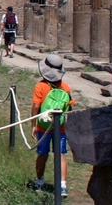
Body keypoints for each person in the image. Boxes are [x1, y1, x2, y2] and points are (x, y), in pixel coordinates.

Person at [31, 54, 76, 197]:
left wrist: (34, 124)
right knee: (60, 154)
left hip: (44, 127)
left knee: (42, 154)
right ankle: (62, 185)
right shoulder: (66, 87)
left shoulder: (40, 86)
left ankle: (39, 181)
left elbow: (36, 106)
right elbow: (69, 108)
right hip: (60, 128)